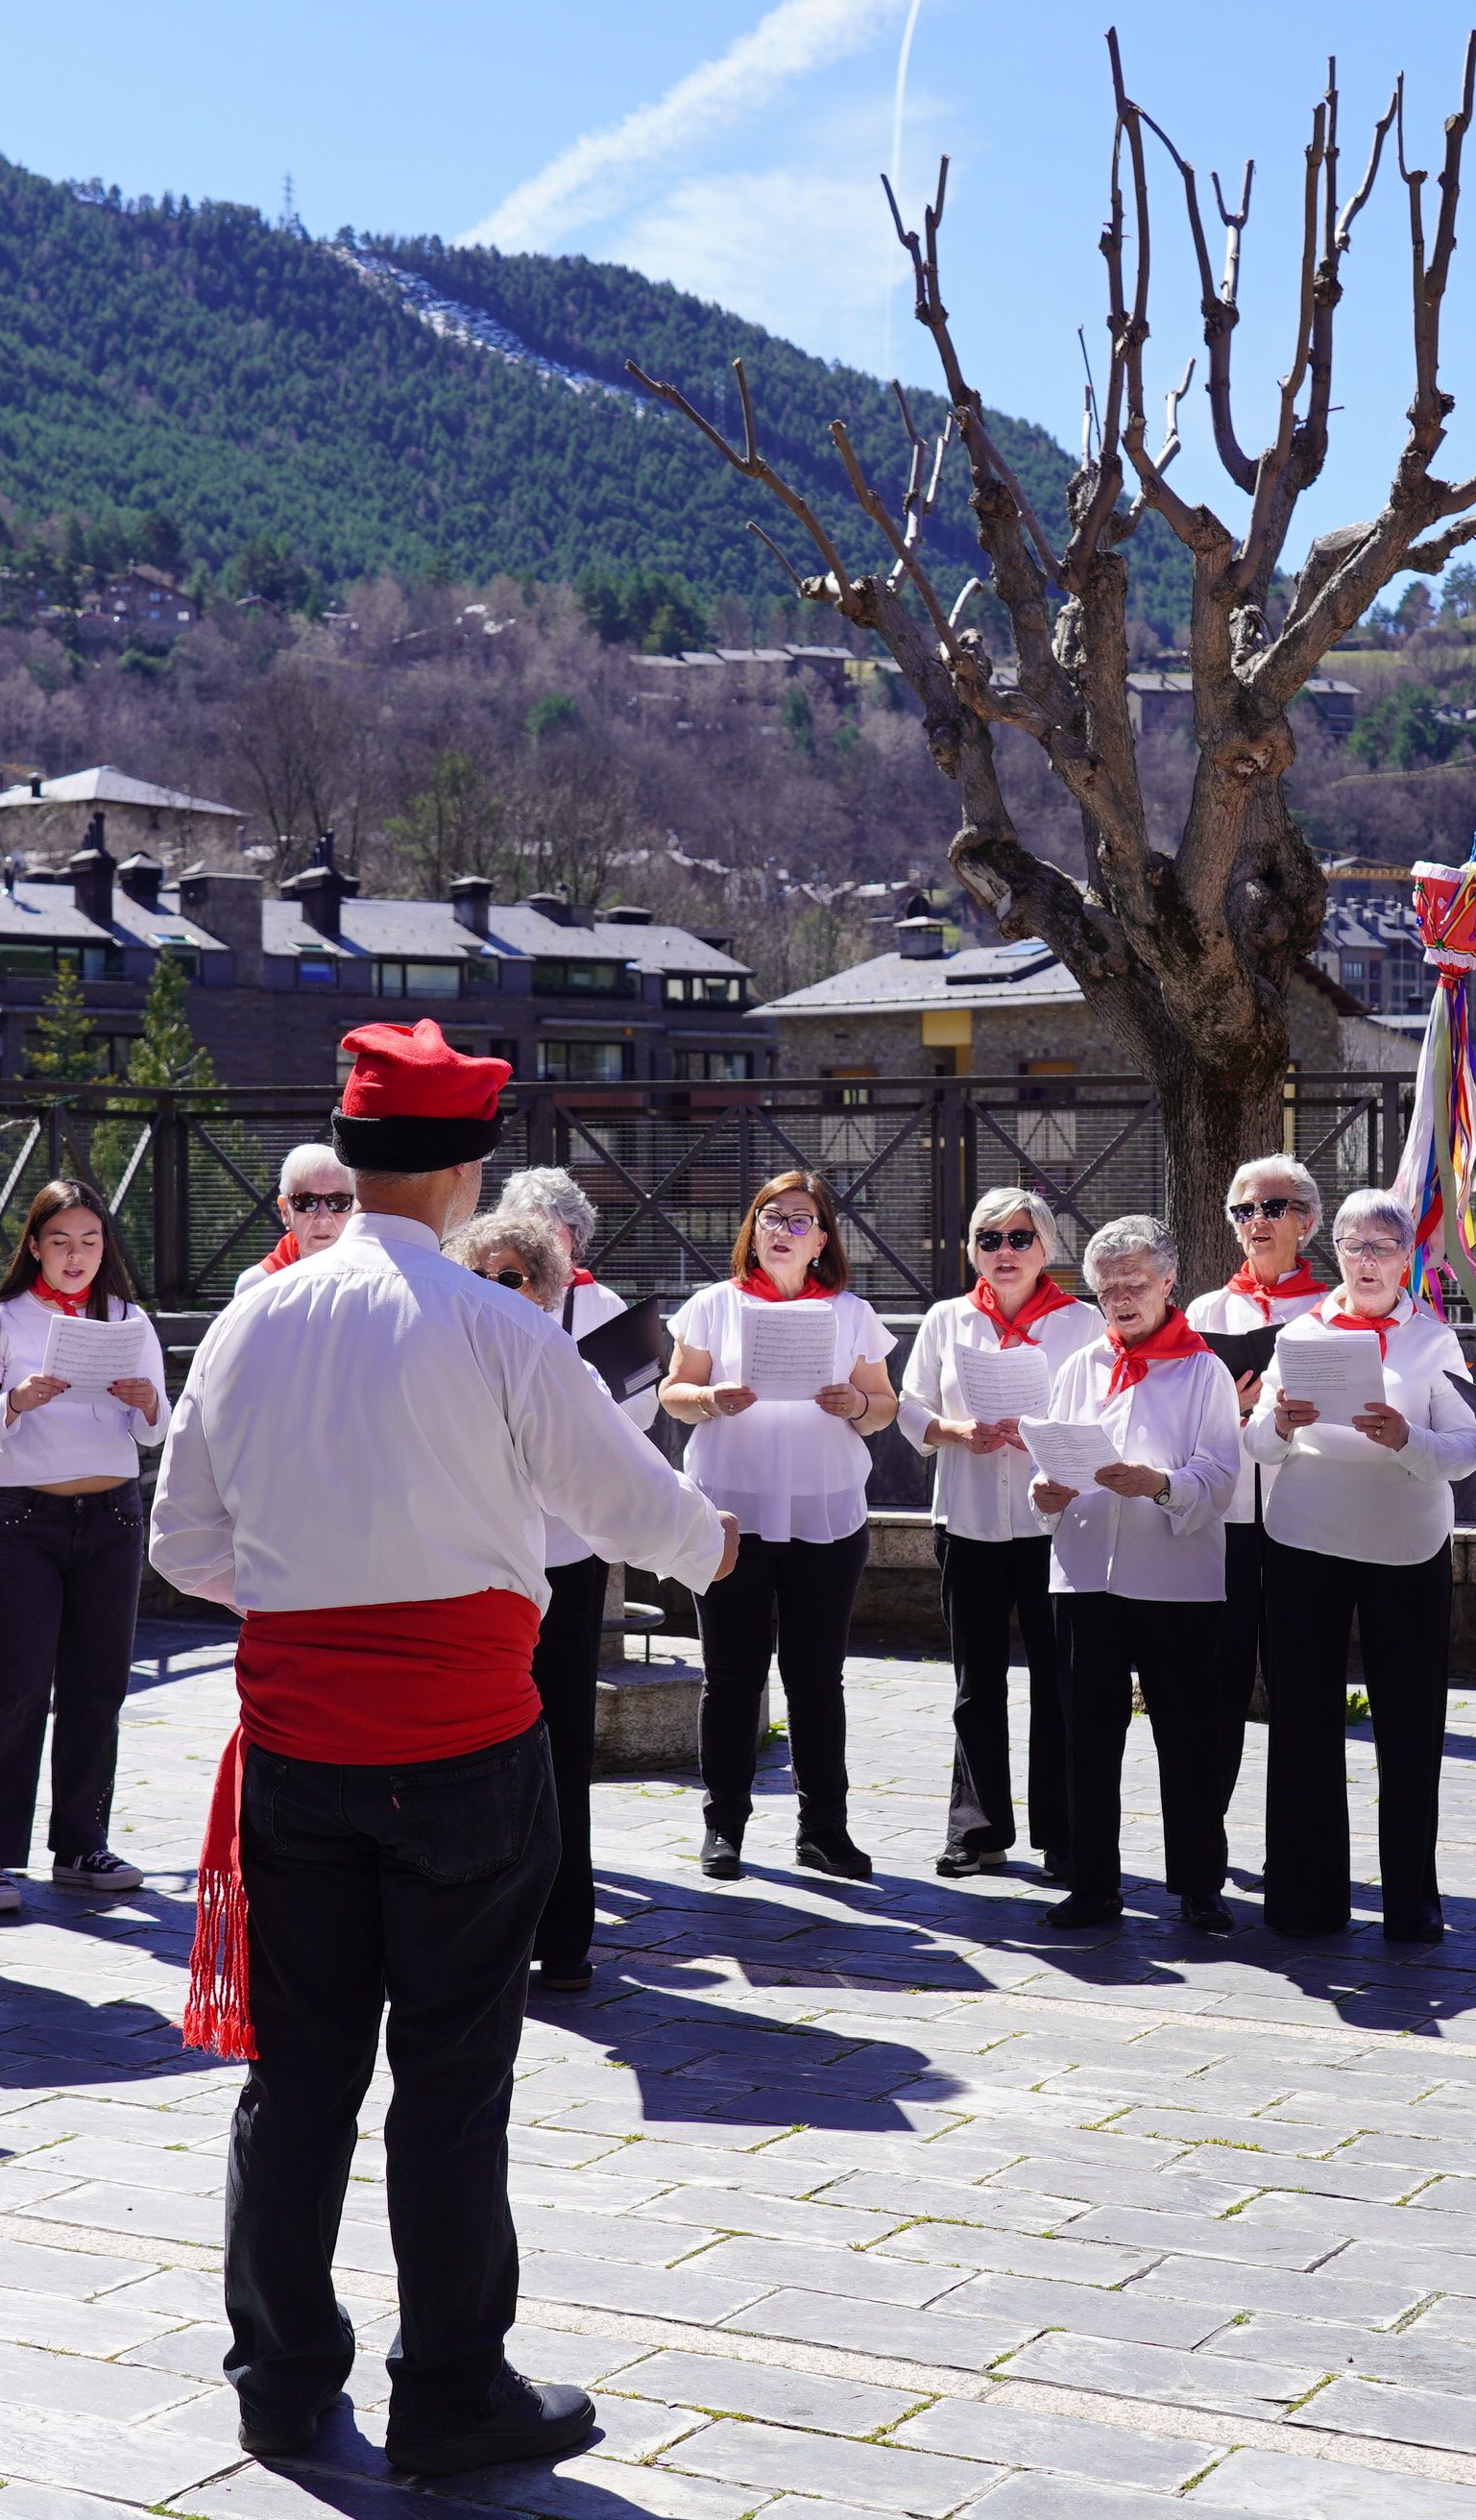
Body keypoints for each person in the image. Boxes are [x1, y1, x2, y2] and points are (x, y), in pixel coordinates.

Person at [150, 1018, 739, 2470]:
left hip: (298, 1742)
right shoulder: (496, 1325)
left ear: (348, 1159)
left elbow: (182, 1545)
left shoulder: (250, 1316)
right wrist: (712, 1542)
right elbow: (642, 1515)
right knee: (456, 2073)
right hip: (466, 1746)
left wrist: (312, 1600)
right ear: (470, 1169)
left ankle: (280, 2377)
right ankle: (451, 2386)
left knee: (299, 2077)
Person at [1246, 1190, 1476, 1941]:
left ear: (1407, 1255)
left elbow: (1465, 1452)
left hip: (1402, 1548)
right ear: (1335, 1253)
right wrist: (1277, 1424)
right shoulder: (1303, 1330)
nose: (1367, 1261)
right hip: (1305, 1540)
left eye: (1382, 1247)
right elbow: (1255, 1444)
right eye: (1354, 1247)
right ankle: (1305, 1900)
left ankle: (1411, 1903)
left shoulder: (1433, 1341)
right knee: (1303, 1724)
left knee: (1409, 1727)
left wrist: (1406, 1437)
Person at [661, 1168, 897, 1882]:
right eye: (771, 1215)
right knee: (730, 1676)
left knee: (817, 1678)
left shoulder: (851, 1312)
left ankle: (824, 1828)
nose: (784, 1229)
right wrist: (710, 1398)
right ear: (752, 1230)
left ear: (823, 1239)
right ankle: (724, 1826)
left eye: (800, 1219)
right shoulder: (712, 1305)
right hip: (732, 1511)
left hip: (825, 1513)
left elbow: (884, 1406)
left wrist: (855, 1404)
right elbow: (673, 1393)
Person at [0, 1180, 170, 1918]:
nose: (76, 1256)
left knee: (97, 1685)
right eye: (60, 1241)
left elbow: (154, 1433)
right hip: (26, 1520)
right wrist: (15, 1402)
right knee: (12, 1689)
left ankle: (80, 1841)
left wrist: (143, 1402)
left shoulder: (129, 1319)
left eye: (90, 1241)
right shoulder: (3, 1321)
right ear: (34, 1246)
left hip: (112, 1518)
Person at [1031, 1214, 1243, 1932]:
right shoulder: (1077, 1367)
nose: (1121, 1297)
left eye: (1135, 1282)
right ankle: (1092, 1884)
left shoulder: (1203, 1368)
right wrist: (1045, 1494)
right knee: (1086, 1736)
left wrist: (1159, 1484)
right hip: (1085, 1575)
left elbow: (1220, 1476)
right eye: (1107, 1287)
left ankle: (1199, 1885)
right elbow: (1052, 1460)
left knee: (1187, 1734)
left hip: (1175, 1578)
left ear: (1168, 1281)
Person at [895, 1186, 1100, 1880]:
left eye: (1019, 1238)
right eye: (989, 1239)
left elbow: (1104, 1415)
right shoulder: (946, 1319)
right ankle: (977, 1830)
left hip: (1054, 1524)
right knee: (975, 1682)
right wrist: (955, 1430)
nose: (1003, 1252)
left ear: (1046, 1248)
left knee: (1059, 1680)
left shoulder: (1082, 1324)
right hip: (970, 1519)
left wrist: (1042, 1438)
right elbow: (908, 1406)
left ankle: (1064, 1834)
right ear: (971, 1250)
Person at [453, 1201, 621, 1994]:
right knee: (475, 1760)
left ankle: (565, 1934)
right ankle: (484, 1932)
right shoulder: (439, 1367)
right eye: (478, 1276)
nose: (492, 1289)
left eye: (511, 1278)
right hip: (474, 1581)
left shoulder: (567, 1366)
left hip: (559, 1572)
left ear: (548, 1290)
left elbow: (601, 1480)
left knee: (560, 1753)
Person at [1188, 1153, 1332, 1822]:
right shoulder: (1205, 1309)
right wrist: (1231, 1410)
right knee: (1214, 1682)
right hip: (1227, 1519)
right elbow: (1179, 1421)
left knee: (1301, 1687)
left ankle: (1298, 1852)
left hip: (1304, 1513)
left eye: (1271, 1208)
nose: (1256, 1222)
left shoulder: (1335, 1308)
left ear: (1305, 1222)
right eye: (1243, 1211)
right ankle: (1202, 1844)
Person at [249, 1143, 356, 1283]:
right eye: (307, 1202)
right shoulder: (256, 1286)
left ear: (355, 1208)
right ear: (285, 1210)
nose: (323, 1218)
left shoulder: (376, 1278)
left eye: (338, 1202)